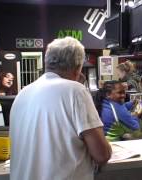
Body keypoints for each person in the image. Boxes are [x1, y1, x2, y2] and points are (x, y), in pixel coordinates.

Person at [10, 37, 111, 180]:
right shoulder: (76, 91)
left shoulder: (23, 94)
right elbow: (102, 155)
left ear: (47, 63)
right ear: (78, 68)